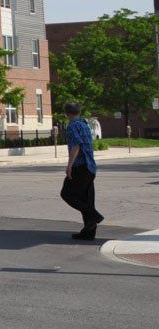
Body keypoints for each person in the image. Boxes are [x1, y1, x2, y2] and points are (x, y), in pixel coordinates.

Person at [61, 102, 103, 240]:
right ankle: (89, 232)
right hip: (91, 167)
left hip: (81, 166)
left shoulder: (73, 126)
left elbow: (76, 146)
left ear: (66, 113)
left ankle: (94, 216)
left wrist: (69, 166)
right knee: (86, 199)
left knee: (67, 194)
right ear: (79, 112)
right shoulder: (85, 125)